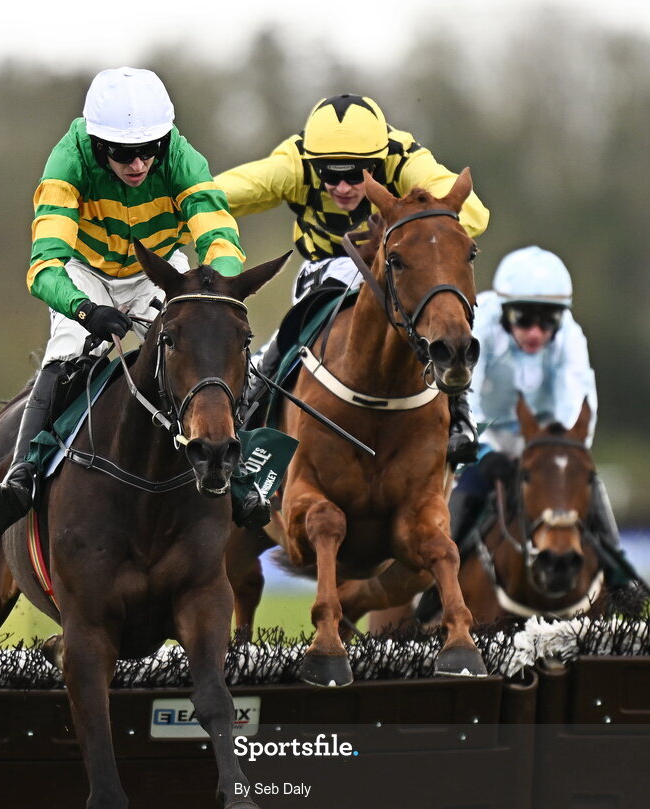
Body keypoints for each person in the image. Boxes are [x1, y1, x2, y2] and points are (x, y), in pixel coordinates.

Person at [0, 67, 247, 536]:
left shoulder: (183, 158)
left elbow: (220, 236)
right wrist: (87, 311)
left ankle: (240, 471)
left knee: (217, 344)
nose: (139, 164)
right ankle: (21, 472)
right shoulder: (68, 162)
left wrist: (215, 294)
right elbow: (45, 267)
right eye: (124, 154)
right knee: (65, 358)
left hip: (157, 271)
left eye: (149, 150)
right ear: (98, 144)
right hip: (83, 274)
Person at [215, 93, 490, 462]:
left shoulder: (405, 158)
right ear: (313, 164)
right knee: (297, 325)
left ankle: (459, 413)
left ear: (380, 160)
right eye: (330, 174)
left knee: (445, 304)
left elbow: (474, 215)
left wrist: (408, 234)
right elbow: (214, 195)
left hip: (399, 267)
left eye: (357, 174)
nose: (342, 188)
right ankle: (254, 403)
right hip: (324, 270)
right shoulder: (293, 162)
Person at [415, 244, 644, 619]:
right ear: (505, 311)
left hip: (544, 437)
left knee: (588, 481)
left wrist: (560, 453)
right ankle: (432, 594)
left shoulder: (571, 338)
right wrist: (486, 455)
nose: (536, 332)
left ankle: (619, 575)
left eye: (547, 321)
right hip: (479, 428)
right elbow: (463, 398)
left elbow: (579, 403)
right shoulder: (478, 327)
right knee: (469, 491)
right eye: (524, 319)